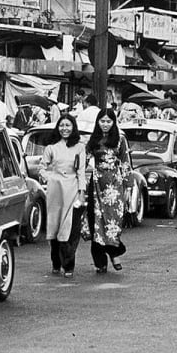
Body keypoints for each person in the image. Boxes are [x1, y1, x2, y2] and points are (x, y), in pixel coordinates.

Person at [39, 114, 87, 279]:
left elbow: (81, 172)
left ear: (73, 127)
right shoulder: (51, 148)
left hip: (72, 191)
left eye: (68, 125)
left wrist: (81, 194)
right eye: (62, 125)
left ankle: (68, 264)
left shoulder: (80, 147)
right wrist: (50, 178)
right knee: (54, 227)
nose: (65, 128)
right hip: (55, 192)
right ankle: (55, 263)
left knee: (70, 230)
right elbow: (42, 168)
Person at [85, 109, 130, 273]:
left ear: (113, 123)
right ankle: (100, 262)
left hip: (114, 185)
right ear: (97, 122)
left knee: (112, 221)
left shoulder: (120, 139)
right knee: (96, 221)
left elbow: (125, 163)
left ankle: (114, 253)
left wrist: (128, 186)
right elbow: (82, 161)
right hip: (97, 184)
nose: (105, 124)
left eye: (108, 121)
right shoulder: (93, 140)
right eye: (102, 121)